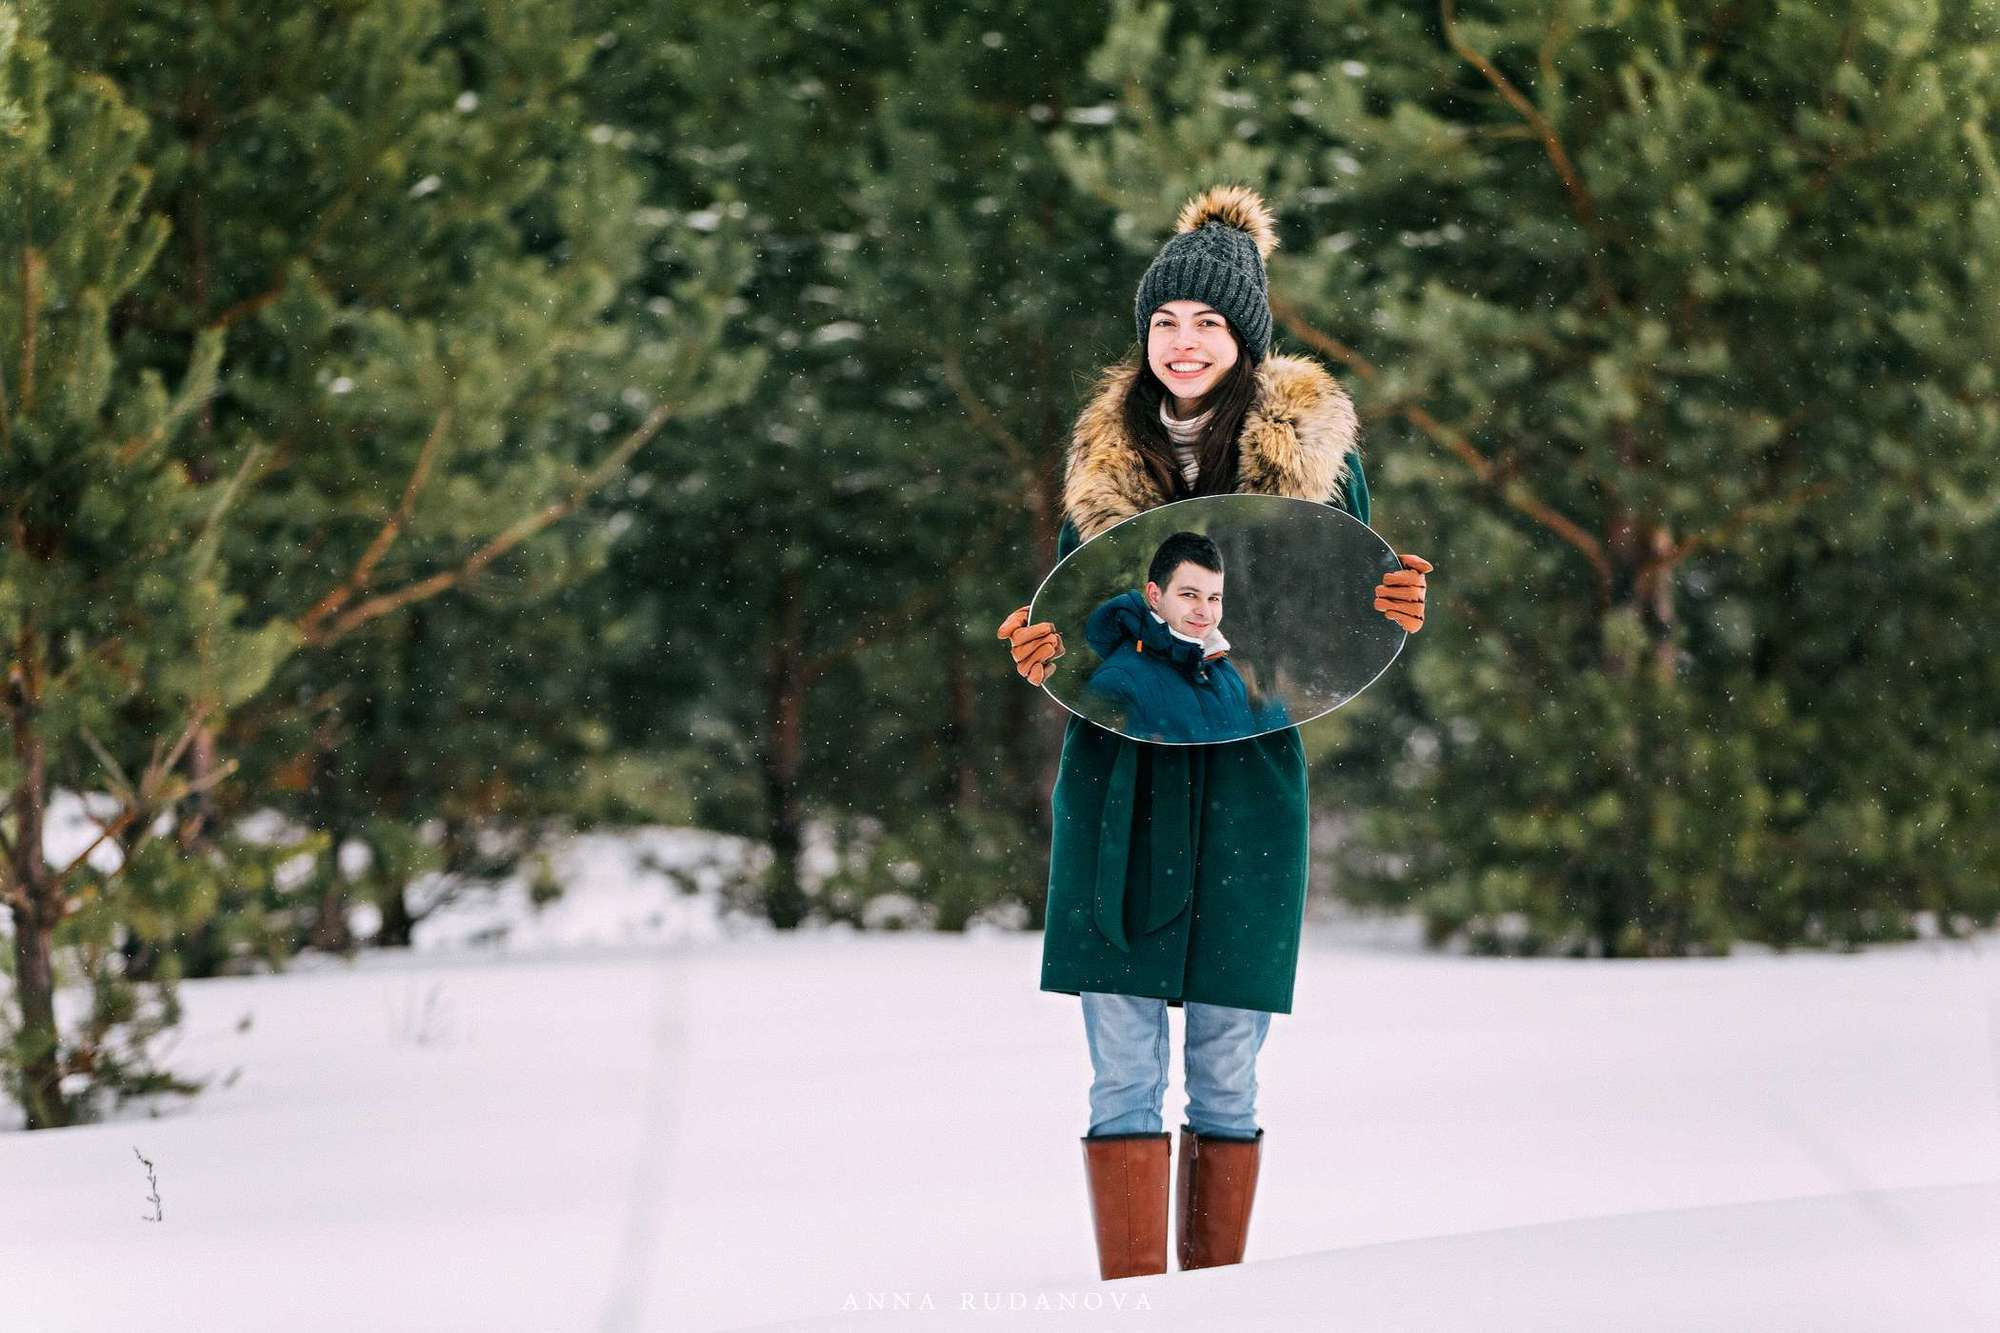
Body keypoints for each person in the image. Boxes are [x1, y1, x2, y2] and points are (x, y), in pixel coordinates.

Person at [993, 184, 1432, 1281]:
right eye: (1163, 321)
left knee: (1229, 1065)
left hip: (1245, 784)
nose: (1182, 343)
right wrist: (1043, 649)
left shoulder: (1318, 466)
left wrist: (1386, 604)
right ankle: (1137, 1302)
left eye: (1205, 323)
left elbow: (1332, 615)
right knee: (1122, 1066)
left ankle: (1215, 1303)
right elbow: (1078, 625)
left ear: (1244, 339)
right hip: (1122, 790)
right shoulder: (1100, 471)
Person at [1079, 530, 1290, 744]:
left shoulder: (1225, 673)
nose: (1204, 611)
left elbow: (1245, 756)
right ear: (1155, 595)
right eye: (1190, 595)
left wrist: (1265, 714)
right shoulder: (1118, 680)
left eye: (1214, 598)